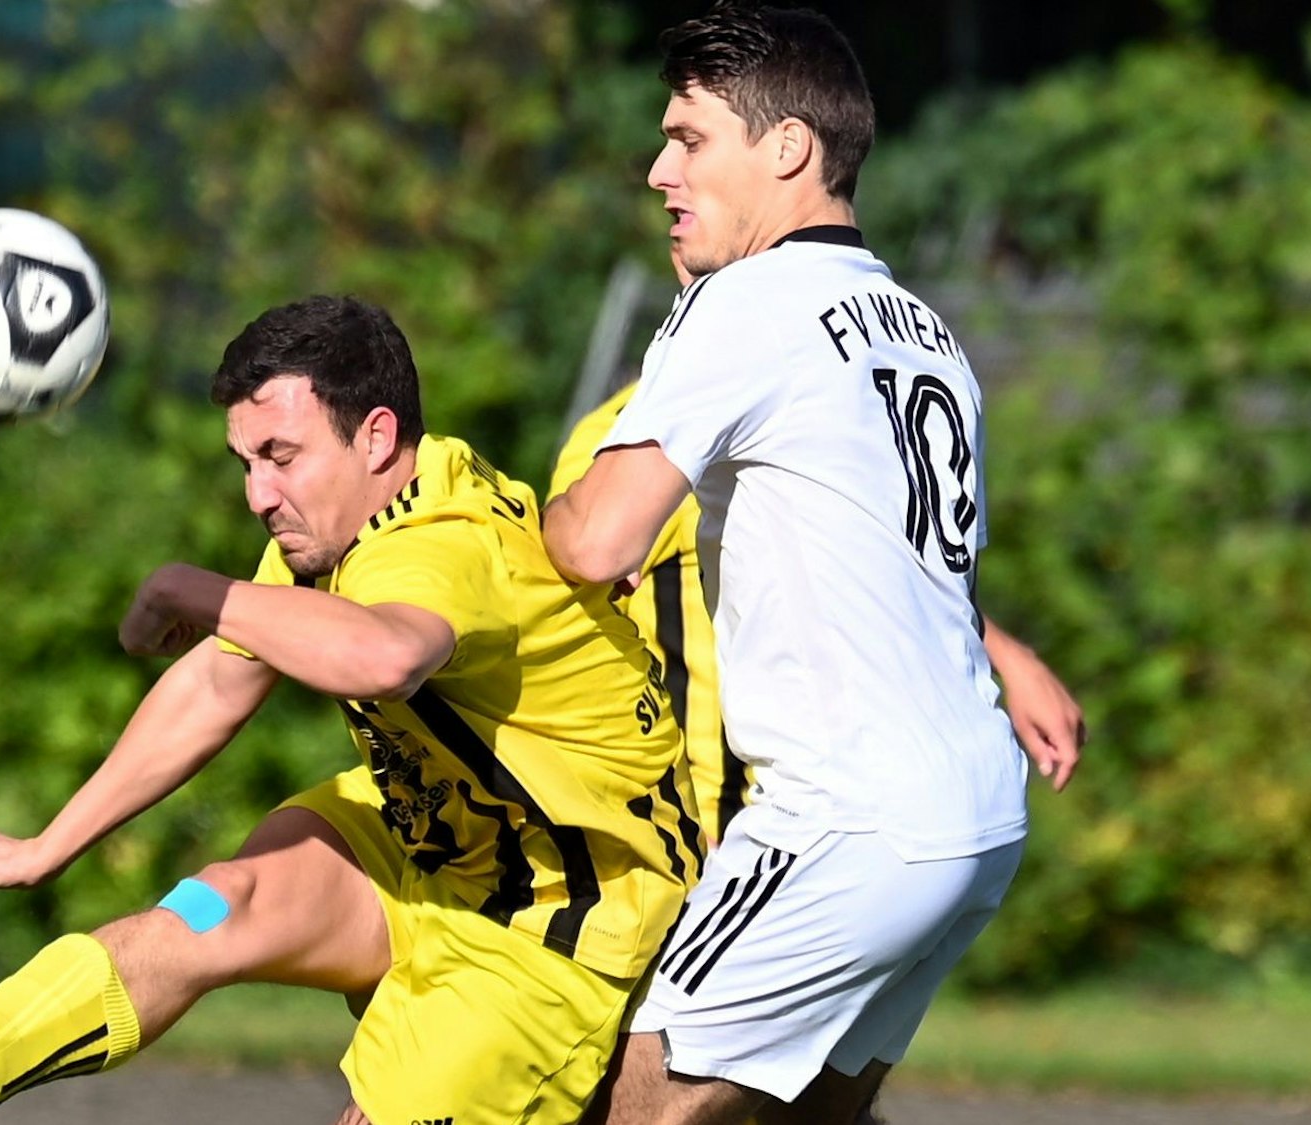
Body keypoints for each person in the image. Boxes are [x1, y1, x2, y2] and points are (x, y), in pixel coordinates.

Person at [0, 295, 703, 1125]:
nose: (259, 494)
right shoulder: (339, 528)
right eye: (246, 462)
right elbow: (219, 683)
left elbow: (386, 654)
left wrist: (193, 588)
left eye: (280, 456)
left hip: (555, 907)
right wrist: (46, 847)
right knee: (215, 905)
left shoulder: (440, 540)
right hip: (432, 831)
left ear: (375, 437)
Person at [543, 6, 1073, 1123]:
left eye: (687, 139)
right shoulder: (916, 324)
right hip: (975, 813)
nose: (657, 172)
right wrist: (1006, 649)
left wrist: (547, 520)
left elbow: (596, 541)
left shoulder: (741, 301)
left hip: (846, 816)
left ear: (785, 149)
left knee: (635, 1107)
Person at [549, 382, 1081, 848]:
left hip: (839, 817)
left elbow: (875, 568)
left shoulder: (802, 405)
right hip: (719, 837)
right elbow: (565, 630)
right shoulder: (631, 436)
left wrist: (1011, 659)